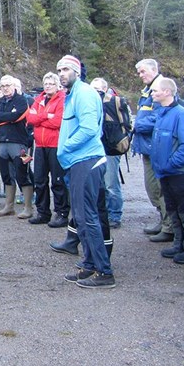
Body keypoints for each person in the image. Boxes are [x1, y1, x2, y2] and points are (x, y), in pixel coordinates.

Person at [56, 55, 115, 289]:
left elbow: (89, 129)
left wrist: (65, 146)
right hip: (78, 161)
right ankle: (89, 264)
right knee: (81, 217)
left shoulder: (85, 94)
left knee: (87, 217)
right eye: (59, 69)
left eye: (66, 69)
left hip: (86, 160)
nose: (61, 73)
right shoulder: (72, 95)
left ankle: (104, 271)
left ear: (77, 71)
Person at [150, 78, 184, 264]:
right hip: (166, 173)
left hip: (179, 174)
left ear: (167, 92)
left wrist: (170, 164)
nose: (152, 93)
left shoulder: (182, 114)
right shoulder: (162, 114)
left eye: (155, 90)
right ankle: (179, 244)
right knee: (173, 210)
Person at [132, 59, 173, 242]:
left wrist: (137, 125)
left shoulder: (160, 90)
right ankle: (163, 220)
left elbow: (159, 118)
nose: (140, 75)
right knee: (152, 188)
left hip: (157, 148)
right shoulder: (147, 91)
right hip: (148, 148)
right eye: (139, 72)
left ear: (154, 69)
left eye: (143, 71)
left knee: (160, 187)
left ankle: (169, 226)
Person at [26, 72, 68, 227]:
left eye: (51, 83)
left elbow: (58, 121)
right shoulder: (39, 99)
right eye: (46, 83)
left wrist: (41, 118)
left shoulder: (62, 98)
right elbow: (30, 119)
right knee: (40, 180)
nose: (48, 86)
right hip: (40, 145)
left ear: (57, 85)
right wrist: (46, 116)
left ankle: (62, 213)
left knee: (58, 180)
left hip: (55, 144)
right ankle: (43, 212)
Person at [0, 75, 34, 218]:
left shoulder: (22, 100)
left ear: (14, 85)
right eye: (2, 86)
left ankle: (28, 207)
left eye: (8, 85)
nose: (5, 88)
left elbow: (18, 116)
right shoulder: (0, 101)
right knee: (6, 175)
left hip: (20, 143)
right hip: (2, 143)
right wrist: (9, 117)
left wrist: (4, 117)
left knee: (23, 173)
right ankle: (9, 206)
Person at [90, 77, 130, 228]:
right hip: (96, 149)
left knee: (111, 184)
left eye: (98, 90)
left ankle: (115, 215)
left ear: (105, 89)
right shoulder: (91, 103)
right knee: (100, 184)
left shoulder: (113, 103)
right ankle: (104, 214)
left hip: (111, 149)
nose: (95, 93)